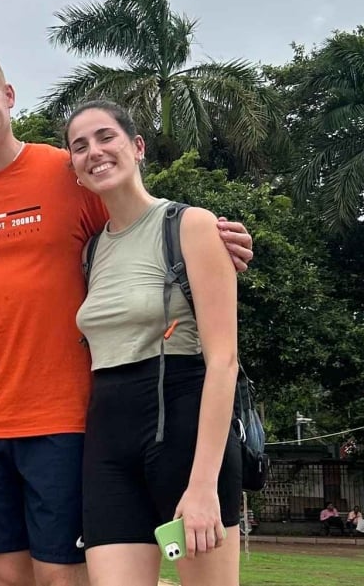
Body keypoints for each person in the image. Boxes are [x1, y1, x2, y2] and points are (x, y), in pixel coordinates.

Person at [0, 51, 253, 586]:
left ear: (8, 97)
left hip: (70, 416)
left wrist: (211, 238)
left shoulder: (65, 173)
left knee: (61, 578)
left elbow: (137, 219)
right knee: (6, 579)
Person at [65, 100, 241, 586]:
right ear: (75, 170)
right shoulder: (91, 251)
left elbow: (223, 360)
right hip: (108, 438)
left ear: (137, 147)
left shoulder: (191, 226)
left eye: (105, 137)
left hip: (183, 430)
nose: (94, 152)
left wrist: (203, 484)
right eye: (79, 147)